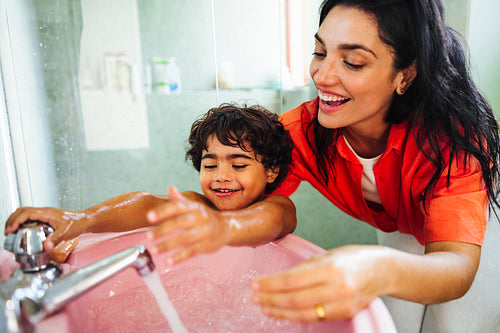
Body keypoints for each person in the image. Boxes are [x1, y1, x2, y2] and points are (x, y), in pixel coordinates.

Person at [249, 0, 500, 328]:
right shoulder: (300, 131)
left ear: (404, 74)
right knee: (396, 323)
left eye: (353, 62)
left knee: (453, 326)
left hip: (476, 226)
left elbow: (457, 268)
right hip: (403, 224)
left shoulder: (452, 143)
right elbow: (259, 202)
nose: (322, 77)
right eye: (320, 52)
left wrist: (376, 268)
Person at [4, 103, 296, 265]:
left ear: (271, 170)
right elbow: (148, 205)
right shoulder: (200, 205)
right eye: (210, 165)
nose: (221, 175)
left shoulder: (278, 206)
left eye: (239, 165)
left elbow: (268, 220)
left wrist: (224, 227)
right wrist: (81, 220)